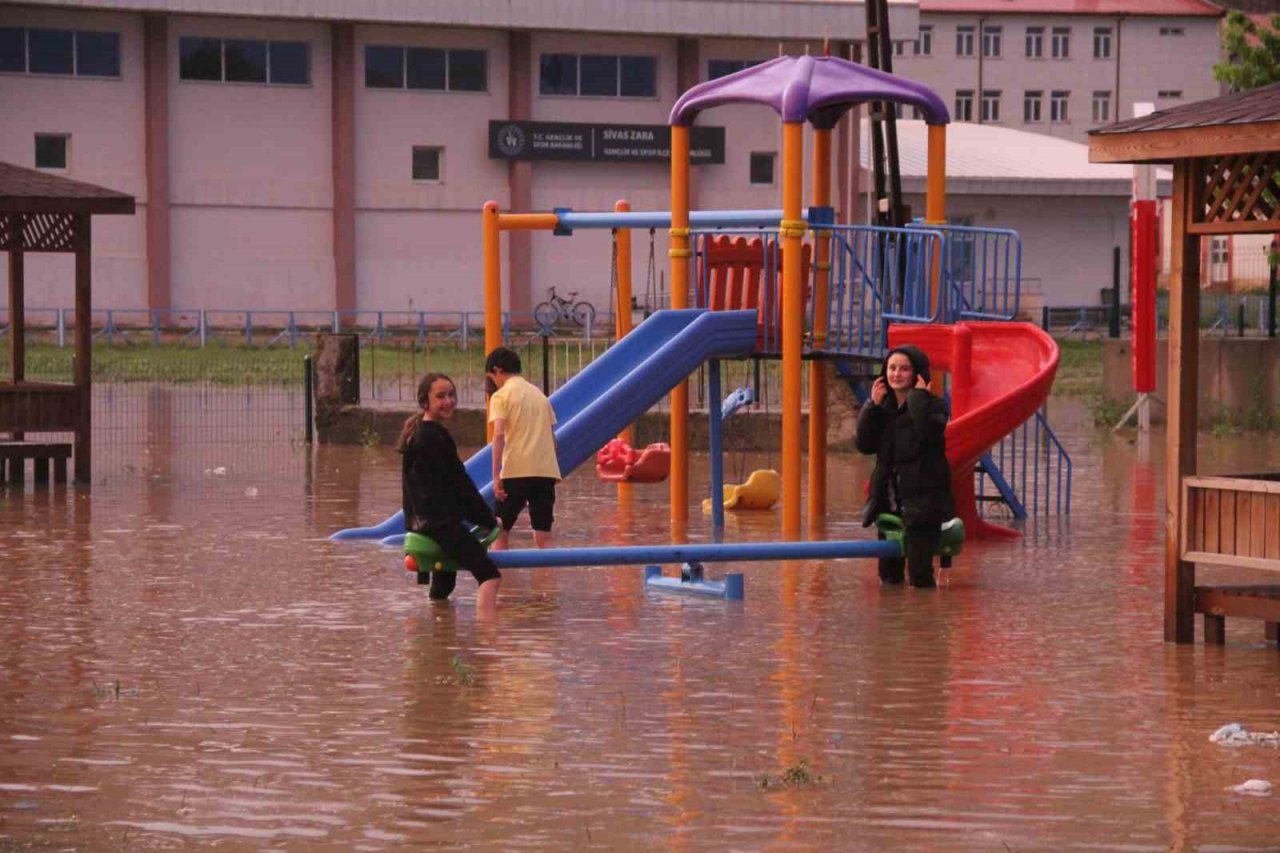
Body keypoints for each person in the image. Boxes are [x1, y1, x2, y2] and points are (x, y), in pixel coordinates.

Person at [399, 372, 502, 610]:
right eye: (441, 397)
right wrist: (487, 519)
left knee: (445, 580)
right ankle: (489, 637)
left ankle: (439, 635)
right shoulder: (436, 437)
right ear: (425, 402)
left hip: (424, 522)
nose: (449, 401)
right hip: (440, 524)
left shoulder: (416, 433)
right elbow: (460, 485)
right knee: (489, 576)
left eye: (451, 395)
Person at [855, 345, 955, 589]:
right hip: (888, 503)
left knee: (920, 575)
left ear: (917, 374)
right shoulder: (882, 407)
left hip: (923, 504)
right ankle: (895, 625)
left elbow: (929, 434)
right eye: (892, 368)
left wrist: (918, 398)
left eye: (904, 369)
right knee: (888, 576)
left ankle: (922, 623)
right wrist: (871, 406)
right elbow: (865, 445)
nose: (896, 374)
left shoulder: (933, 405)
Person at [485, 346, 561, 550]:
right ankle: (547, 582)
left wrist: (495, 476)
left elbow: (499, 434)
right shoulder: (541, 397)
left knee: (500, 532)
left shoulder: (501, 396)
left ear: (498, 370)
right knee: (543, 537)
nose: (494, 382)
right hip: (545, 472)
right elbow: (553, 440)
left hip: (516, 471)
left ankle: (501, 580)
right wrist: (551, 471)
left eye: (492, 377)